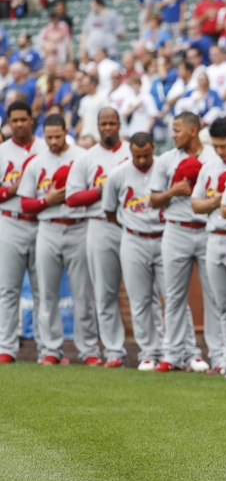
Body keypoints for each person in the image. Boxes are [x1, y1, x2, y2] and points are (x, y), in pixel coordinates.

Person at [18, 114, 99, 365]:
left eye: (58, 136)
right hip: (48, 226)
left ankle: (89, 351)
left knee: (83, 292)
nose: (53, 141)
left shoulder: (82, 157)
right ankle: (50, 350)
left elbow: (93, 191)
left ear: (66, 132)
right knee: (46, 292)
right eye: (49, 136)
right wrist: (47, 200)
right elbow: (25, 204)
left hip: (78, 225)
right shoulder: (36, 162)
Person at [149, 111, 220, 373]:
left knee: (214, 295)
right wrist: (173, 191)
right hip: (176, 229)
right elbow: (154, 199)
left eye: (178, 130)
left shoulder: (213, 157)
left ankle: (220, 354)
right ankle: (172, 354)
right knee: (174, 295)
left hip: (206, 229)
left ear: (193, 131)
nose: (173, 134)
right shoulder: (167, 159)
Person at [64, 108, 130, 367]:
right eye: (104, 123)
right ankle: (114, 350)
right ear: (98, 125)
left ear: (119, 124)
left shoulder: (131, 153)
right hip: (100, 223)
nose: (108, 128)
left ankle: (153, 350)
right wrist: (101, 190)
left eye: (113, 122)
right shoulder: (87, 158)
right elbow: (72, 198)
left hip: (131, 223)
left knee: (145, 291)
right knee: (104, 291)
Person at [102, 131, 165, 371]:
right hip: (133, 238)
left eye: (146, 155)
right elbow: (110, 211)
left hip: (163, 235)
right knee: (139, 300)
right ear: (130, 152)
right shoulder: (118, 173)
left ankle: (174, 351)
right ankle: (148, 352)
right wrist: (131, 226)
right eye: (137, 156)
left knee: (172, 297)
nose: (142, 160)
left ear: (153, 148)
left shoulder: (163, 167)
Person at [190, 116, 226, 375]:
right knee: (221, 303)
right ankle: (223, 358)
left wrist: (223, 204)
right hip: (213, 235)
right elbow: (196, 204)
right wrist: (218, 202)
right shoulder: (209, 166)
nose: (220, 151)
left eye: (224, 145)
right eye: (216, 146)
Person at [0, 101, 46, 363]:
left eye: (23, 119)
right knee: (8, 288)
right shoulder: (2, 151)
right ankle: (6, 347)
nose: (19, 124)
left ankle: (46, 348)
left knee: (43, 290)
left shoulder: (45, 148)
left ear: (31, 119)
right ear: (9, 122)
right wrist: (11, 190)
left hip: (42, 222)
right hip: (10, 219)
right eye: (14, 120)